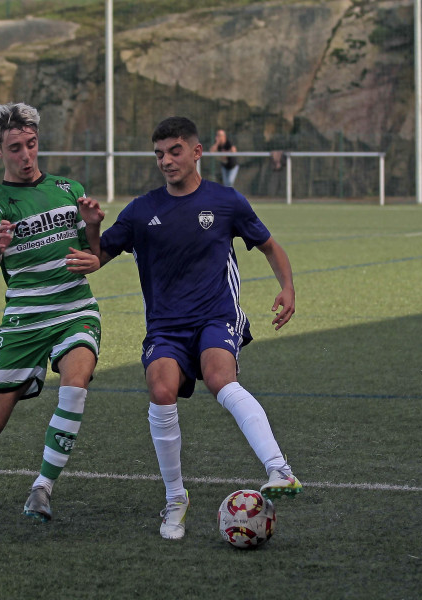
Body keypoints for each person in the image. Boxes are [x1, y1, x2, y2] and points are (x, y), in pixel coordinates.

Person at [89, 116, 301, 540]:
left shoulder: (226, 202)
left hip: (216, 315)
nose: (166, 161)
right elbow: (96, 258)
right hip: (166, 326)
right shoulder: (141, 210)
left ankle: (280, 469)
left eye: (175, 151)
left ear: (197, 152)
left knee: (219, 378)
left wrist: (287, 287)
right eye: (159, 154)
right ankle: (175, 498)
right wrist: (92, 227)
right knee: (161, 389)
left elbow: (269, 246)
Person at [0, 102, 103, 523]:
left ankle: (42, 488)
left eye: (31, 145)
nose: (25, 156)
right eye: (15, 147)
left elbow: (91, 257)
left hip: (75, 308)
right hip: (25, 318)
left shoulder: (68, 189)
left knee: (76, 383)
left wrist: (92, 226)